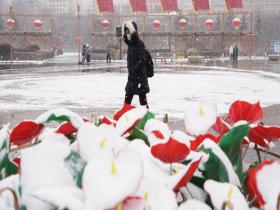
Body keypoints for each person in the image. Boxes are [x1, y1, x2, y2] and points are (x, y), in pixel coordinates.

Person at [122, 21, 150, 108]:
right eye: (126, 32)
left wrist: (135, 68)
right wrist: (129, 67)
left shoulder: (139, 44)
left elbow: (143, 59)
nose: (127, 34)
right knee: (127, 99)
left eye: (128, 32)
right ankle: (124, 116)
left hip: (140, 77)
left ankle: (147, 117)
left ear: (133, 31)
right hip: (132, 77)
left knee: (142, 100)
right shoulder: (130, 45)